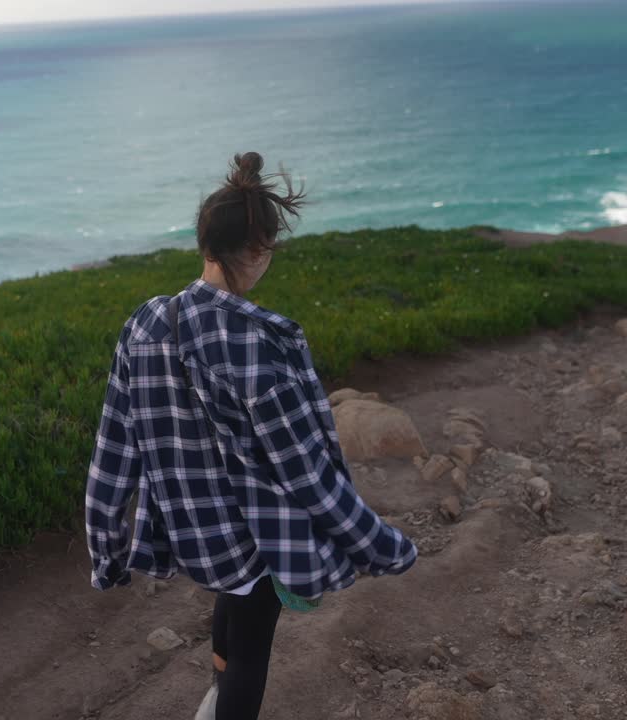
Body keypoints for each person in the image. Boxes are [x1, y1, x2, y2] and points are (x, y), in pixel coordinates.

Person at [84, 152, 417, 720]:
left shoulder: (143, 323)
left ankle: (212, 705)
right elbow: (306, 474)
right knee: (252, 651)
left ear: (204, 244)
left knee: (232, 599)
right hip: (258, 532)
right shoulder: (258, 343)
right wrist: (379, 544)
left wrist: (106, 551)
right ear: (259, 251)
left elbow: (115, 450)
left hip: (190, 529)